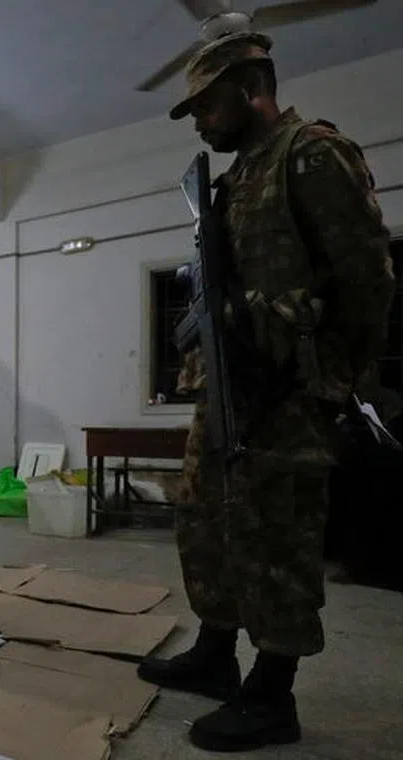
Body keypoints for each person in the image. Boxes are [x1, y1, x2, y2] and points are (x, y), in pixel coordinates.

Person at [137, 33, 395, 753]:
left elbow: (368, 279)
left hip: (289, 390)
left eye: (207, 105)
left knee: (277, 537)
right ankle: (216, 653)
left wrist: (335, 378)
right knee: (205, 521)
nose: (199, 122)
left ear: (253, 85)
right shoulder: (238, 176)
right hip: (229, 386)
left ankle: (272, 692)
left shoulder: (310, 156)